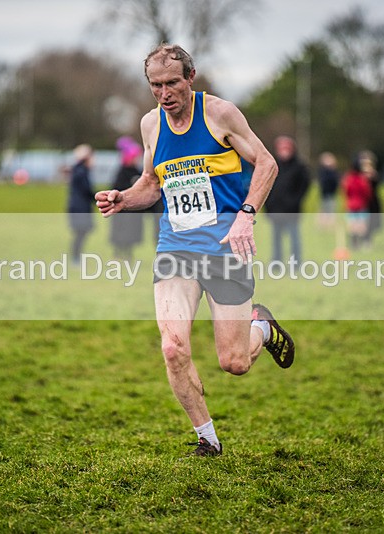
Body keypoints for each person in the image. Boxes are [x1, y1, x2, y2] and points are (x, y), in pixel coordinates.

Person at [95, 44, 296, 456]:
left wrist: (246, 214)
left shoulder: (220, 114)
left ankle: (262, 326)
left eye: (172, 83)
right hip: (176, 249)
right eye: (155, 85)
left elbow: (267, 164)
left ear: (191, 77)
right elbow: (152, 183)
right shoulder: (151, 125)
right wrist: (123, 198)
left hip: (225, 249)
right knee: (172, 347)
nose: (164, 93)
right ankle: (207, 439)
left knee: (234, 362)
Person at [264, 135, 310, 262]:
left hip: (292, 210)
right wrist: (268, 205)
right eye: (281, 148)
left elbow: (304, 186)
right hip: (275, 209)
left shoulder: (299, 167)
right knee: (276, 239)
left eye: (286, 148)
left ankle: (296, 263)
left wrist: (295, 201)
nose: (284, 151)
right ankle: (276, 263)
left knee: (294, 238)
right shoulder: (272, 166)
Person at [109, 136, 145, 261]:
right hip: (123, 211)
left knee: (131, 235)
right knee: (121, 234)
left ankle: (128, 255)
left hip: (134, 211)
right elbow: (116, 188)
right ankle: (118, 253)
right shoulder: (122, 172)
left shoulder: (139, 171)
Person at [67, 144, 95, 266]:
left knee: (80, 234)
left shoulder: (79, 170)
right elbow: (87, 190)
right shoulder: (81, 171)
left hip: (78, 207)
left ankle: (77, 257)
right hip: (80, 208)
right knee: (80, 234)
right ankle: (75, 258)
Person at [341, 157, 372, 250]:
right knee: (362, 226)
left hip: (351, 205)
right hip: (361, 204)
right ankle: (364, 243)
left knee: (352, 226)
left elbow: (345, 191)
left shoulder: (348, 178)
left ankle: (354, 244)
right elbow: (367, 192)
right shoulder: (362, 179)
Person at [317, 151, 340, 225]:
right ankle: (323, 224)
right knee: (324, 209)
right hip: (324, 194)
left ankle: (330, 224)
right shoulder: (322, 171)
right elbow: (322, 181)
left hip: (332, 194)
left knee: (331, 209)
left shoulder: (334, 171)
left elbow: (335, 181)